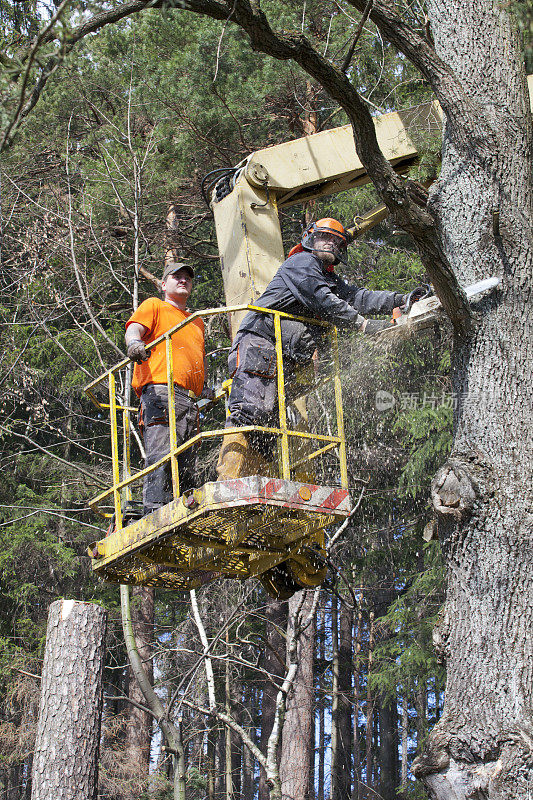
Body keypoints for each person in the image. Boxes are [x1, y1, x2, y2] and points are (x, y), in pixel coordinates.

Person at [216, 218, 427, 479]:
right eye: (324, 236)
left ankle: (257, 483)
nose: (331, 242)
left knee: (270, 424)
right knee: (249, 412)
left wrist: (399, 300)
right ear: (309, 238)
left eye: (337, 240)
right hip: (260, 342)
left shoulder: (328, 278)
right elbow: (322, 300)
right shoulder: (302, 262)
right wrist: (364, 326)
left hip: (285, 354)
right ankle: (230, 480)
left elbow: (357, 298)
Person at [125, 261, 212, 517]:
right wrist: (134, 344)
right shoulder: (155, 305)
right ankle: (155, 512)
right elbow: (134, 328)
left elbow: (197, 356)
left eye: (187, 277)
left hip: (189, 399)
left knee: (186, 459)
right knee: (162, 453)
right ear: (164, 284)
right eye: (177, 277)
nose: (183, 280)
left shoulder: (196, 322)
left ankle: (184, 510)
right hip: (161, 390)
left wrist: (204, 387)